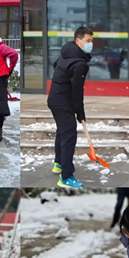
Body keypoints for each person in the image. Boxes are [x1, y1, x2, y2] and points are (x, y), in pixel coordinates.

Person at [47, 26, 93, 188]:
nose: (90, 44)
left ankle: (59, 163)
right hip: (63, 101)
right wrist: (80, 113)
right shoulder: (79, 63)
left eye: (91, 41)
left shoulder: (67, 52)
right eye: (87, 41)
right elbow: (77, 92)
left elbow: (55, 65)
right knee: (69, 137)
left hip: (54, 98)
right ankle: (66, 177)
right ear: (78, 41)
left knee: (62, 131)